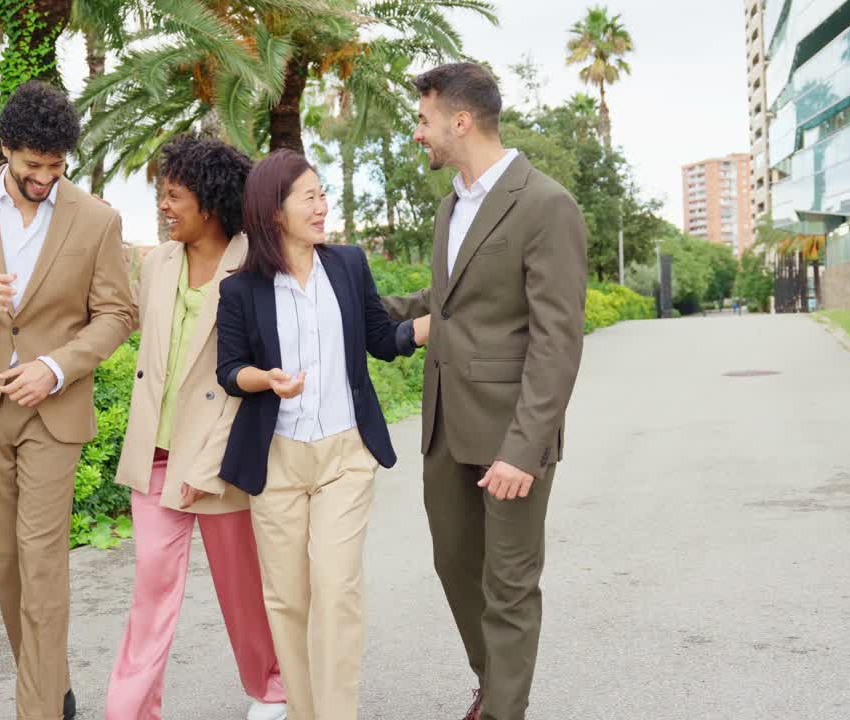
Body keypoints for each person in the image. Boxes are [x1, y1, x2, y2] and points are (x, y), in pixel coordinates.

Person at [0, 80, 135, 720]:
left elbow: (118, 313)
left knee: (42, 561)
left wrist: (56, 367)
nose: (44, 178)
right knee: (8, 563)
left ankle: (36, 710)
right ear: (6, 149)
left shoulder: (97, 219)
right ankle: (52, 689)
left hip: (53, 410)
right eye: (33, 165)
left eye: (56, 166)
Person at [383, 62, 587, 720]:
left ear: (462, 121)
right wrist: (351, 302)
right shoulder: (452, 206)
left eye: (424, 120)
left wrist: (524, 450)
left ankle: (503, 709)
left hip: (510, 434)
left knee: (509, 584)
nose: (419, 133)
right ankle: (493, 682)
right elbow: (447, 301)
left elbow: (558, 339)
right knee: (454, 565)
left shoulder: (546, 204)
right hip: (446, 427)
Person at [214, 150, 430, 720]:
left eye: (322, 193)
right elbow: (229, 371)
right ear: (273, 210)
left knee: (335, 590)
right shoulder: (241, 290)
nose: (322, 205)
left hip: (345, 454)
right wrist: (265, 379)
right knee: (288, 600)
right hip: (276, 461)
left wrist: (428, 327)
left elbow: (379, 337)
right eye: (308, 196)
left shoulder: (348, 264)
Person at [106, 135, 288, 720]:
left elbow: (251, 375)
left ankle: (271, 690)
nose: (164, 205)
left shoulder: (255, 265)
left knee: (241, 588)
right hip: (156, 456)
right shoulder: (157, 262)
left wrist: (207, 465)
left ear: (209, 202)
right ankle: (130, 711)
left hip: (219, 457)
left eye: (174, 195)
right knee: (150, 591)